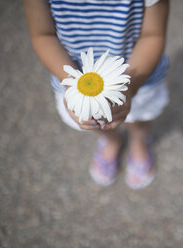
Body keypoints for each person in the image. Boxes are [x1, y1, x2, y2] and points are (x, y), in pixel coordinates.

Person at [24, 0, 169, 189]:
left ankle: (139, 140)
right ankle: (111, 140)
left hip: (138, 72)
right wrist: (73, 88)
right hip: (70, 75)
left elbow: (154, 34)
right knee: (93, 120)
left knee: (140, 116)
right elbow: (42, 34)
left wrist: (130, 88)